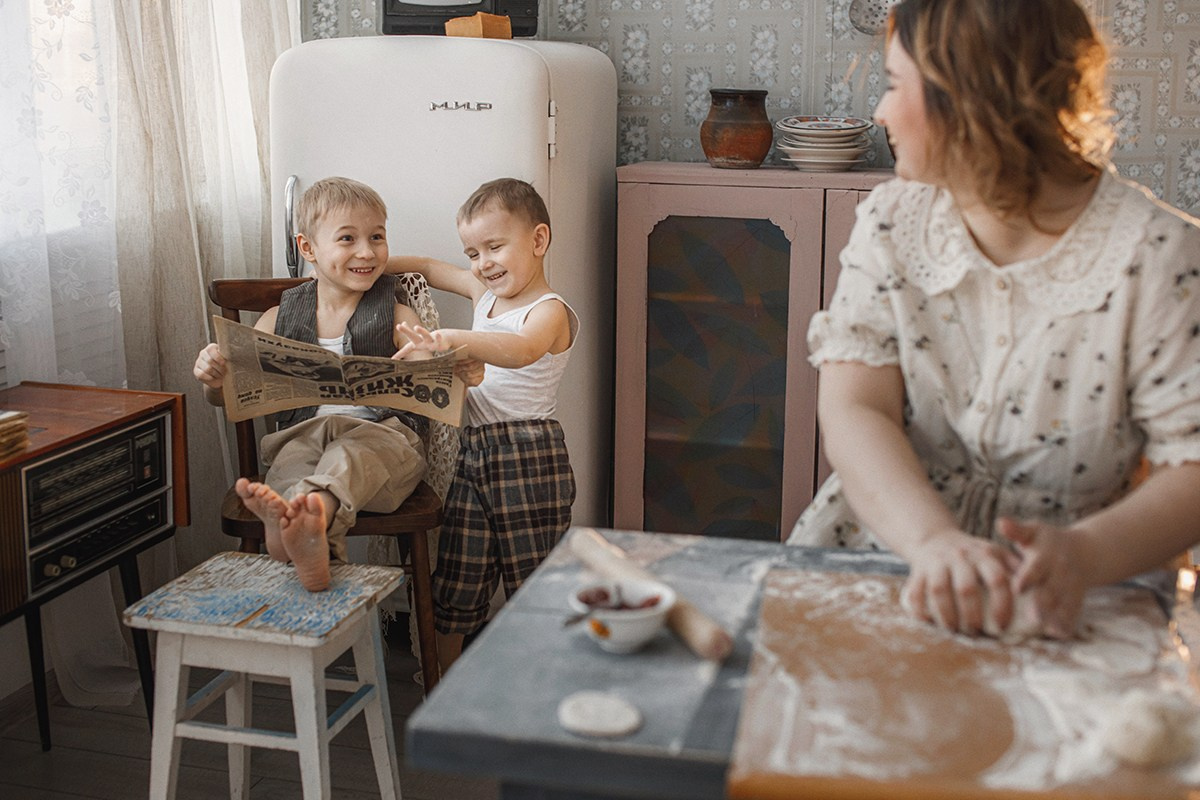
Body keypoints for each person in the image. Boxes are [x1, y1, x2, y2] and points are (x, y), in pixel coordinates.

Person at [788, 0, 1200, 640]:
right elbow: (854, 408)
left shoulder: (1159, 257)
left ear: (972, 99)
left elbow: (1192, 465)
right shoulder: (892, 224)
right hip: (893, 556)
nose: (880, 112)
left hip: (1082, 594)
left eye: (896, 86)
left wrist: (1084, 554)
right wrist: (933, 542)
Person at [193, 176, 434, 592]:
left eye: (377, 236)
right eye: (347, 238)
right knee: (290, 465)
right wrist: (214, 379)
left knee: (351, 456)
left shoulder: (396, 316)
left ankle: (308, 517)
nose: (367, 251)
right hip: (304, 437)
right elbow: (227, 398)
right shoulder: (277, 320)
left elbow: (427, 388)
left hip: (385, 446)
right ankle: (300, 527)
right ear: (308, 249)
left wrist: (425, 360)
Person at [388, 177, 578, 672]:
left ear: (538, 240)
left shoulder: (550, 312)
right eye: (473, 253)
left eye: (495, 247)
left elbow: (519, 352)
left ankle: (544, 693)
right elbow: (428, 268)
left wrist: (453, 338)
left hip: (529, 455)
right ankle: (441, 691)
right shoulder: (483, 295)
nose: (483, 263)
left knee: (535, 585)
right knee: (456, 582)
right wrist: (359, 269)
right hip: (472, 454)